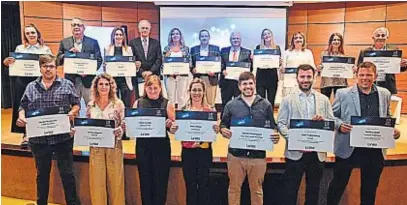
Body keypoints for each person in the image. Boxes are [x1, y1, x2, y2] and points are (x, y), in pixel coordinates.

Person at [326, 61, 401, 205]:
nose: (364, 78)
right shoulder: (343, 93)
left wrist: (393, 130)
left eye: (369, 75)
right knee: (338, 185)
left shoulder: (385, 93)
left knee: (370, 189)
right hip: (348, 147)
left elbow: (387, 116)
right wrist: (340, 125)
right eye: (361, 75)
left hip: (375, 148)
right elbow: (330, 116)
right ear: (356, 75)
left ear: (376, 76)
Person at [16, 54, 80, 205]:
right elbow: (22, 107)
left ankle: (72, 203)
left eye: (51, 66)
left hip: (63, 138)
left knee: (67, 174)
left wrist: (73, 112)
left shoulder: (67, 84)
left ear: (56, 68)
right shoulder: (31, 87)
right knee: (42, 175)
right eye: (45, 66)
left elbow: (76, 103)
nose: (48, 69)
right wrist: (21, 116)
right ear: (40, 68)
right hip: (39, 139)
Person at [277, 64, 335, 205]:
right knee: (290, 191)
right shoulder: (287, 100)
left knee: (313, 191)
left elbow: (332, 122)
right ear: (297, 78)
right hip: (295, 153)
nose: (305, 80)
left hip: (317, 153)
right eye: (302, 76)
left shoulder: (324, 99)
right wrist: (294, 140)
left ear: (314, 77)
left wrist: (324, 121)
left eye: (308, 76)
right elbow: (281, 124)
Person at [220, 71, 279, 205]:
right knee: (234, 189)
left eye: (250, 83)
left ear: (255, 84)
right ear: (239, 86)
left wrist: (275, 135)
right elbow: (223, 124)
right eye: (244, 84)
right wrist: (224, 130)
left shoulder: (266, 105)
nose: (248, 87)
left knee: (257, 191)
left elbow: (272, 126)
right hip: (236, 156)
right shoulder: (231, 105)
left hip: (257, 157)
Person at [169, 78, 220, 205]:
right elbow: (178, 132)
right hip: (188, 153)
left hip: (204, 152)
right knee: (190, 186)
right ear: (189, 92)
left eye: (199, 90)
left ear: (203, 92)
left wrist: (216, 129)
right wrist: (174, 129)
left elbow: (213, 133)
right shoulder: (183, 112)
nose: (196, 93)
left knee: (204, 185)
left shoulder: (210, 112)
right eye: (194, 90)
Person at [3, 23, 52, 149]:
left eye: (33, 32)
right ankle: (26, 135)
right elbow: (12, 64)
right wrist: (7, 62)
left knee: (40, 106)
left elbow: (51, 64)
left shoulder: (45, 49)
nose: (31, 35)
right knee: (23, 107)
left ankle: (41, 133)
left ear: (37, 34)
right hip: (22, 82)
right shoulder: (20, 49)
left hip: (39, 81)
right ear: (25, 35)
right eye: (28, 33)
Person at [82, 73, 125, 205]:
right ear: (96, 86)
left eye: (107, 84)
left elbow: (124, 123)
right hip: (96, 147)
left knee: (115, 181)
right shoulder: (90, 105)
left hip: (114, 145)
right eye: (101, 84)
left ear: (111, 86)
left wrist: (121, 130)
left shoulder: (117, 104)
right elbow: (87, 125)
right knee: (97, 181)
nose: (104, 87)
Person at [132, 75, 176, 205]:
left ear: (160, 88)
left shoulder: (167, 103)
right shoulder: (138, 103)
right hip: (143, 148)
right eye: (149, 88)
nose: (152, 91)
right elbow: (132, 125)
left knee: (160, 183)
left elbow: (175, 129)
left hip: (161, 148)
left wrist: (171, 125)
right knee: (145, 182)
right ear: (145, 88)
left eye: (155, 88)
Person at [57, 17, 102, 106]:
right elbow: (58, 60)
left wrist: (89, 71)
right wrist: (67, 54)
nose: (76, 27)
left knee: (92, 108)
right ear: (71, 27)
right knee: (72, 109)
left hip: (88, 81)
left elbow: (99, 60)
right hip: (71, 81)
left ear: (83, 28)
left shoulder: (93, 42)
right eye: (74, 25)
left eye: (79, 25)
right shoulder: (64, 42)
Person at [357, 27, 407, 95]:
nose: (380, 37)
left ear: (387, 37)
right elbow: (359, 68)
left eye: (383, 35)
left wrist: (403, 65)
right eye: (378, 35)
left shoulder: (393, 50)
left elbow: (399, 68)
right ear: (373, 37)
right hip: (369, 84)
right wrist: (356, 69)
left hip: (388, 85)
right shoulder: (365, 52)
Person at [129, 19, 163, 98]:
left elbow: (159, 59)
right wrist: (142, 72)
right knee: (141, 98)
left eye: (146, 28)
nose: (144, 30)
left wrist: (150, 71)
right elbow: (131, 60)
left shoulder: (156, 43)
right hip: (139, 76)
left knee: (154, 97)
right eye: (142, 28)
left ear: (150, 30)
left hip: (153, 75)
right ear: (139, 29)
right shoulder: (133, 43)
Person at [219, 32, 252, 110]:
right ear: (230, 40)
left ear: (240, 40)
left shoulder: (247, 52)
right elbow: (220, 64)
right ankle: (224, 121)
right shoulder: (223, 51)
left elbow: (250, 68)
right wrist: (222, 70)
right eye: (233, 38)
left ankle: (238, 121)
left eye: (237, 38)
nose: (235, 40)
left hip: (239, 83)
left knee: (240, 104)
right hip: (226, 82)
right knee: (225, 104)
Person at [104, 27, 134, 107]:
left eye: (120, 34)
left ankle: (125, 119)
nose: (118, 36)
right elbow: (105, 64)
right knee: (113, 104)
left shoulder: (128, 49)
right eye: (116, 34)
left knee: (126, 103)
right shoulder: (107, 49)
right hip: (113, 80)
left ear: (123, 37)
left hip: (125, 80)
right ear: (113, 36)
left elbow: (131, 64)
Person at [190, 29, 221, 107]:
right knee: (198, 101)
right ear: (199, 38)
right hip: (198, 78)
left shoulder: (216, 49)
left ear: (209, 37)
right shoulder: (193, 49)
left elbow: (220, 63)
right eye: (202, 36)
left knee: (210, 103)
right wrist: (192, 69)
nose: (204, 38)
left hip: (211, 78)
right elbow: (190, 64)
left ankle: (210, 117)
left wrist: (215, 71)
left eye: (206, 36)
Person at [317, 33, 352, 99]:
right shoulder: (324, 54)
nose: (336, 41)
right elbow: (320, 69)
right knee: (325, 102)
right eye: (334, 40)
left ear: (341, 42)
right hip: (327, 82)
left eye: (338, 40)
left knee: (339, 104)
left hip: (340, 83)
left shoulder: (344, 56)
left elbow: (348, 71)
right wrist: (319, 69)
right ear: (331, 41)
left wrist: (352, 69)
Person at [253, 28, 281, 108]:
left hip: (272, 77)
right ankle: (261, 119)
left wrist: (280, 62)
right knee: (260, 101)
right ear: (262, 37)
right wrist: (253, 59)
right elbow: (256, 62)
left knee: (271, 101)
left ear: (271, 35)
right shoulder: (258, 47)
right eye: (264, 34)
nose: (267, 35)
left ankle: (270, 119)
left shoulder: (277, 48)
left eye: (268, 33)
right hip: (261, 77)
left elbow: (278, 64)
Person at [163, 28, 190, 108]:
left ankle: (181, 118)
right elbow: (163, 62)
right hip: (170, 77)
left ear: (180, 36)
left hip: (182, 76)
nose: (175, 35)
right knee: (170, 98)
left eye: (177, 34)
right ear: (170, 36)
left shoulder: (185, 48)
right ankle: (171, 117)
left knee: (182, 98)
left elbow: (189, 62)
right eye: (173, 34)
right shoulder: (166, 48)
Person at [281, 32, 315, 97]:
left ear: (303, 40)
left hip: (303, 82)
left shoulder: (308, 52)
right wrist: (281, 69)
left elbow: (312, 67)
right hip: (289, 82)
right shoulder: (287, 52)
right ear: (293, 41)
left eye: (300, 38)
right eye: (296, 38)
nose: (298, 39)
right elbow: (283, 68)